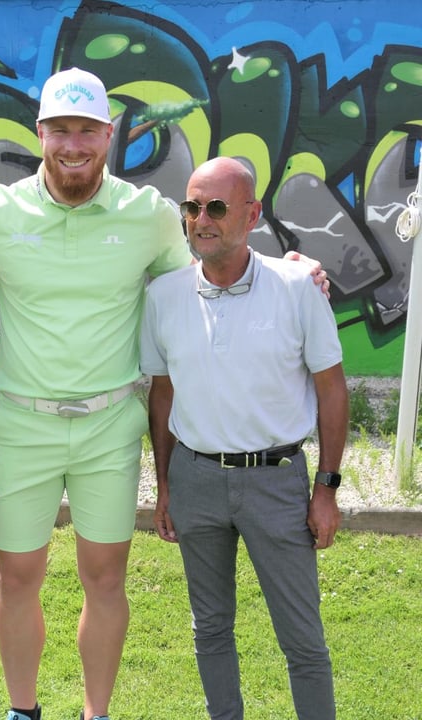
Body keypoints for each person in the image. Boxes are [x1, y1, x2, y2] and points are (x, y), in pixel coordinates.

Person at [0, 67, 328, 720]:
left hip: (110, 425)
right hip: (23, 426)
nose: (74, 144)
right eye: (61, 130)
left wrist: (288, 266)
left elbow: (209, 268)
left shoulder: (146, 216)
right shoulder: (0, 214)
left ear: (108, 136)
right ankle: (23, 711)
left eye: (88, 130)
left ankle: (95, 713)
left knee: (105, 579)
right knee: (18, 579)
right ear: (40, 134)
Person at [140, 157, 347, 719]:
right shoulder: (163, 297)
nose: (201, 219)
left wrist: (326, 487)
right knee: (209, 629)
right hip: (196, 480)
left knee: (302, 640)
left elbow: (332, 390)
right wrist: (164, 484)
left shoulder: (298, 286)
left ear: (252, 214)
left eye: (217, 207)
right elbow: (162, 395)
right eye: (192, 207)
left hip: (277, 484)